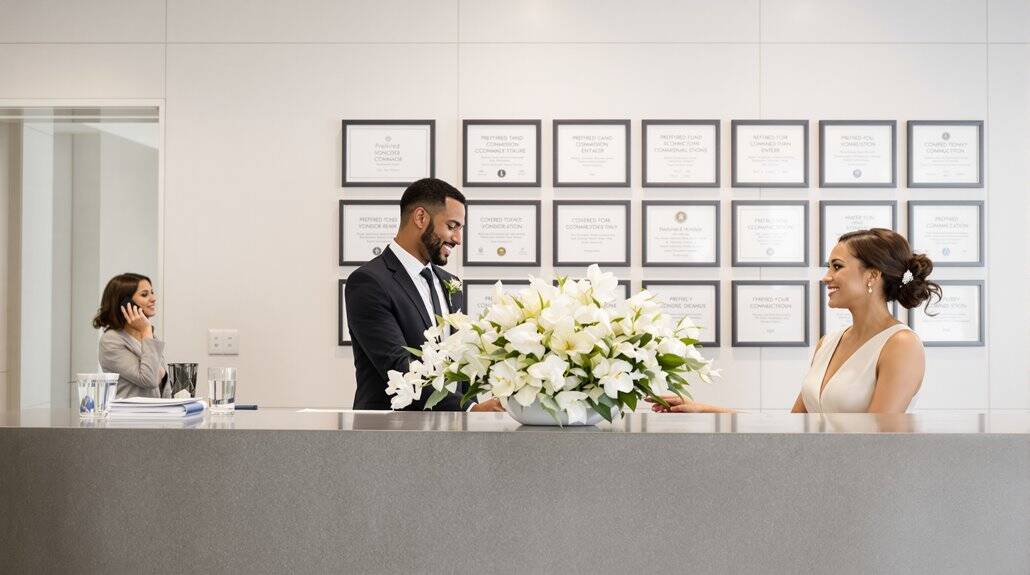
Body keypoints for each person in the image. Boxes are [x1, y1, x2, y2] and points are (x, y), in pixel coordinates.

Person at [651, 228, 942, 414]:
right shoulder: (828, 343)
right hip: (812, 480)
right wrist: (703, 410)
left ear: (872, 275)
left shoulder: (901, 345)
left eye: (837, 267)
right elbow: (793, 430)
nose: (826, 277)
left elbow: (876, 444)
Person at [346, 178, 504, 412]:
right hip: (389, 434)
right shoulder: (369, 282)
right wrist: (469, 409)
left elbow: (458, 364)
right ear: (421, 218)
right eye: (452, 226)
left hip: (452, 434)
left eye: (460, 229)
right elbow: (398, 367)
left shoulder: (451, 283)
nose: (458, 239)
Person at [93, 272, 169, 399]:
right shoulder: (111, 340)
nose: (153, 298)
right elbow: (149, 380)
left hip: (156, 414)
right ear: (125, 303)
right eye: (145, 294)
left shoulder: (147, 335)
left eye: (152, 292)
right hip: (129, 417)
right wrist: (146, 329)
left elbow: (162, 381)